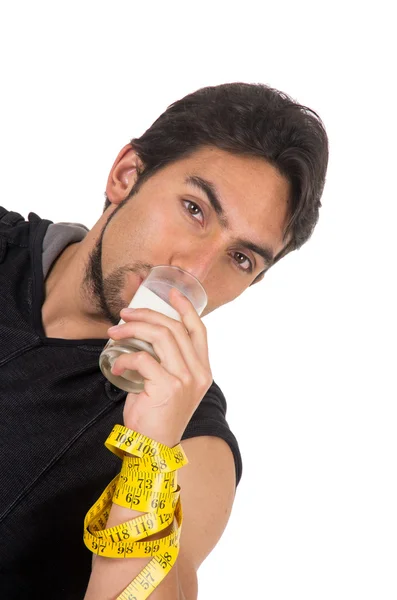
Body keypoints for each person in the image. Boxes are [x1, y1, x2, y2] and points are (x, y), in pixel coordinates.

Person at [0, 82, 328, 599]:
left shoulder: (193, 442)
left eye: (240, 259)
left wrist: (150, 451)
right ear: (126, 175)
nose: (194, 268)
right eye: (195, 210)